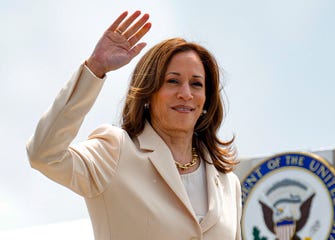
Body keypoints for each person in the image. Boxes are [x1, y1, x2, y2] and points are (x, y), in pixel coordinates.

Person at [26, 10, 242, 240]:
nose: (186, 93)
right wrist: (95, 68)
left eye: (196, 84)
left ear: (207, 99)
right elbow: (44, 155)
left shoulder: (228, 181)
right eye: (173, 81)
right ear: (148, 93)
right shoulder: (115, 151)